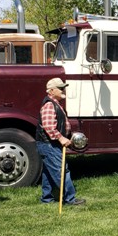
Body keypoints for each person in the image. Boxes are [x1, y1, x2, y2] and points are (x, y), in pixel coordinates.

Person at [36, 77, 86, 206]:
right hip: (49, 144)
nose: (64, 90)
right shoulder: (49, 105)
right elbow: (48, 126)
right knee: (61, 170)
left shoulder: (55, 103)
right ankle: (70, 199)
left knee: (48, 171)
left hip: (49, 144)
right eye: (61, 88)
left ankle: (46, 198)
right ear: (51, 91)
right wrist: (61, 138)